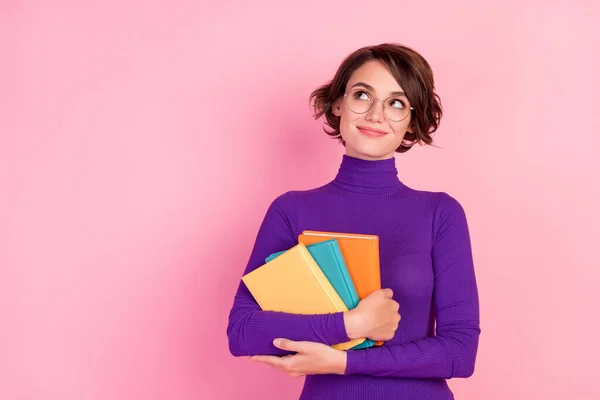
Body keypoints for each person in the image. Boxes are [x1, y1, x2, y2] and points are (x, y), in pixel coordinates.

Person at [226, 43, 480, 400]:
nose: (376, 114)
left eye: (396, 103)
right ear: (338, 104)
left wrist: (343, 362)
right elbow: (242, 331)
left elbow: (459, 352)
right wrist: (351, 325)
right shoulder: (292, 210)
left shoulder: (440, 213)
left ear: (411, 121)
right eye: (363, 95)